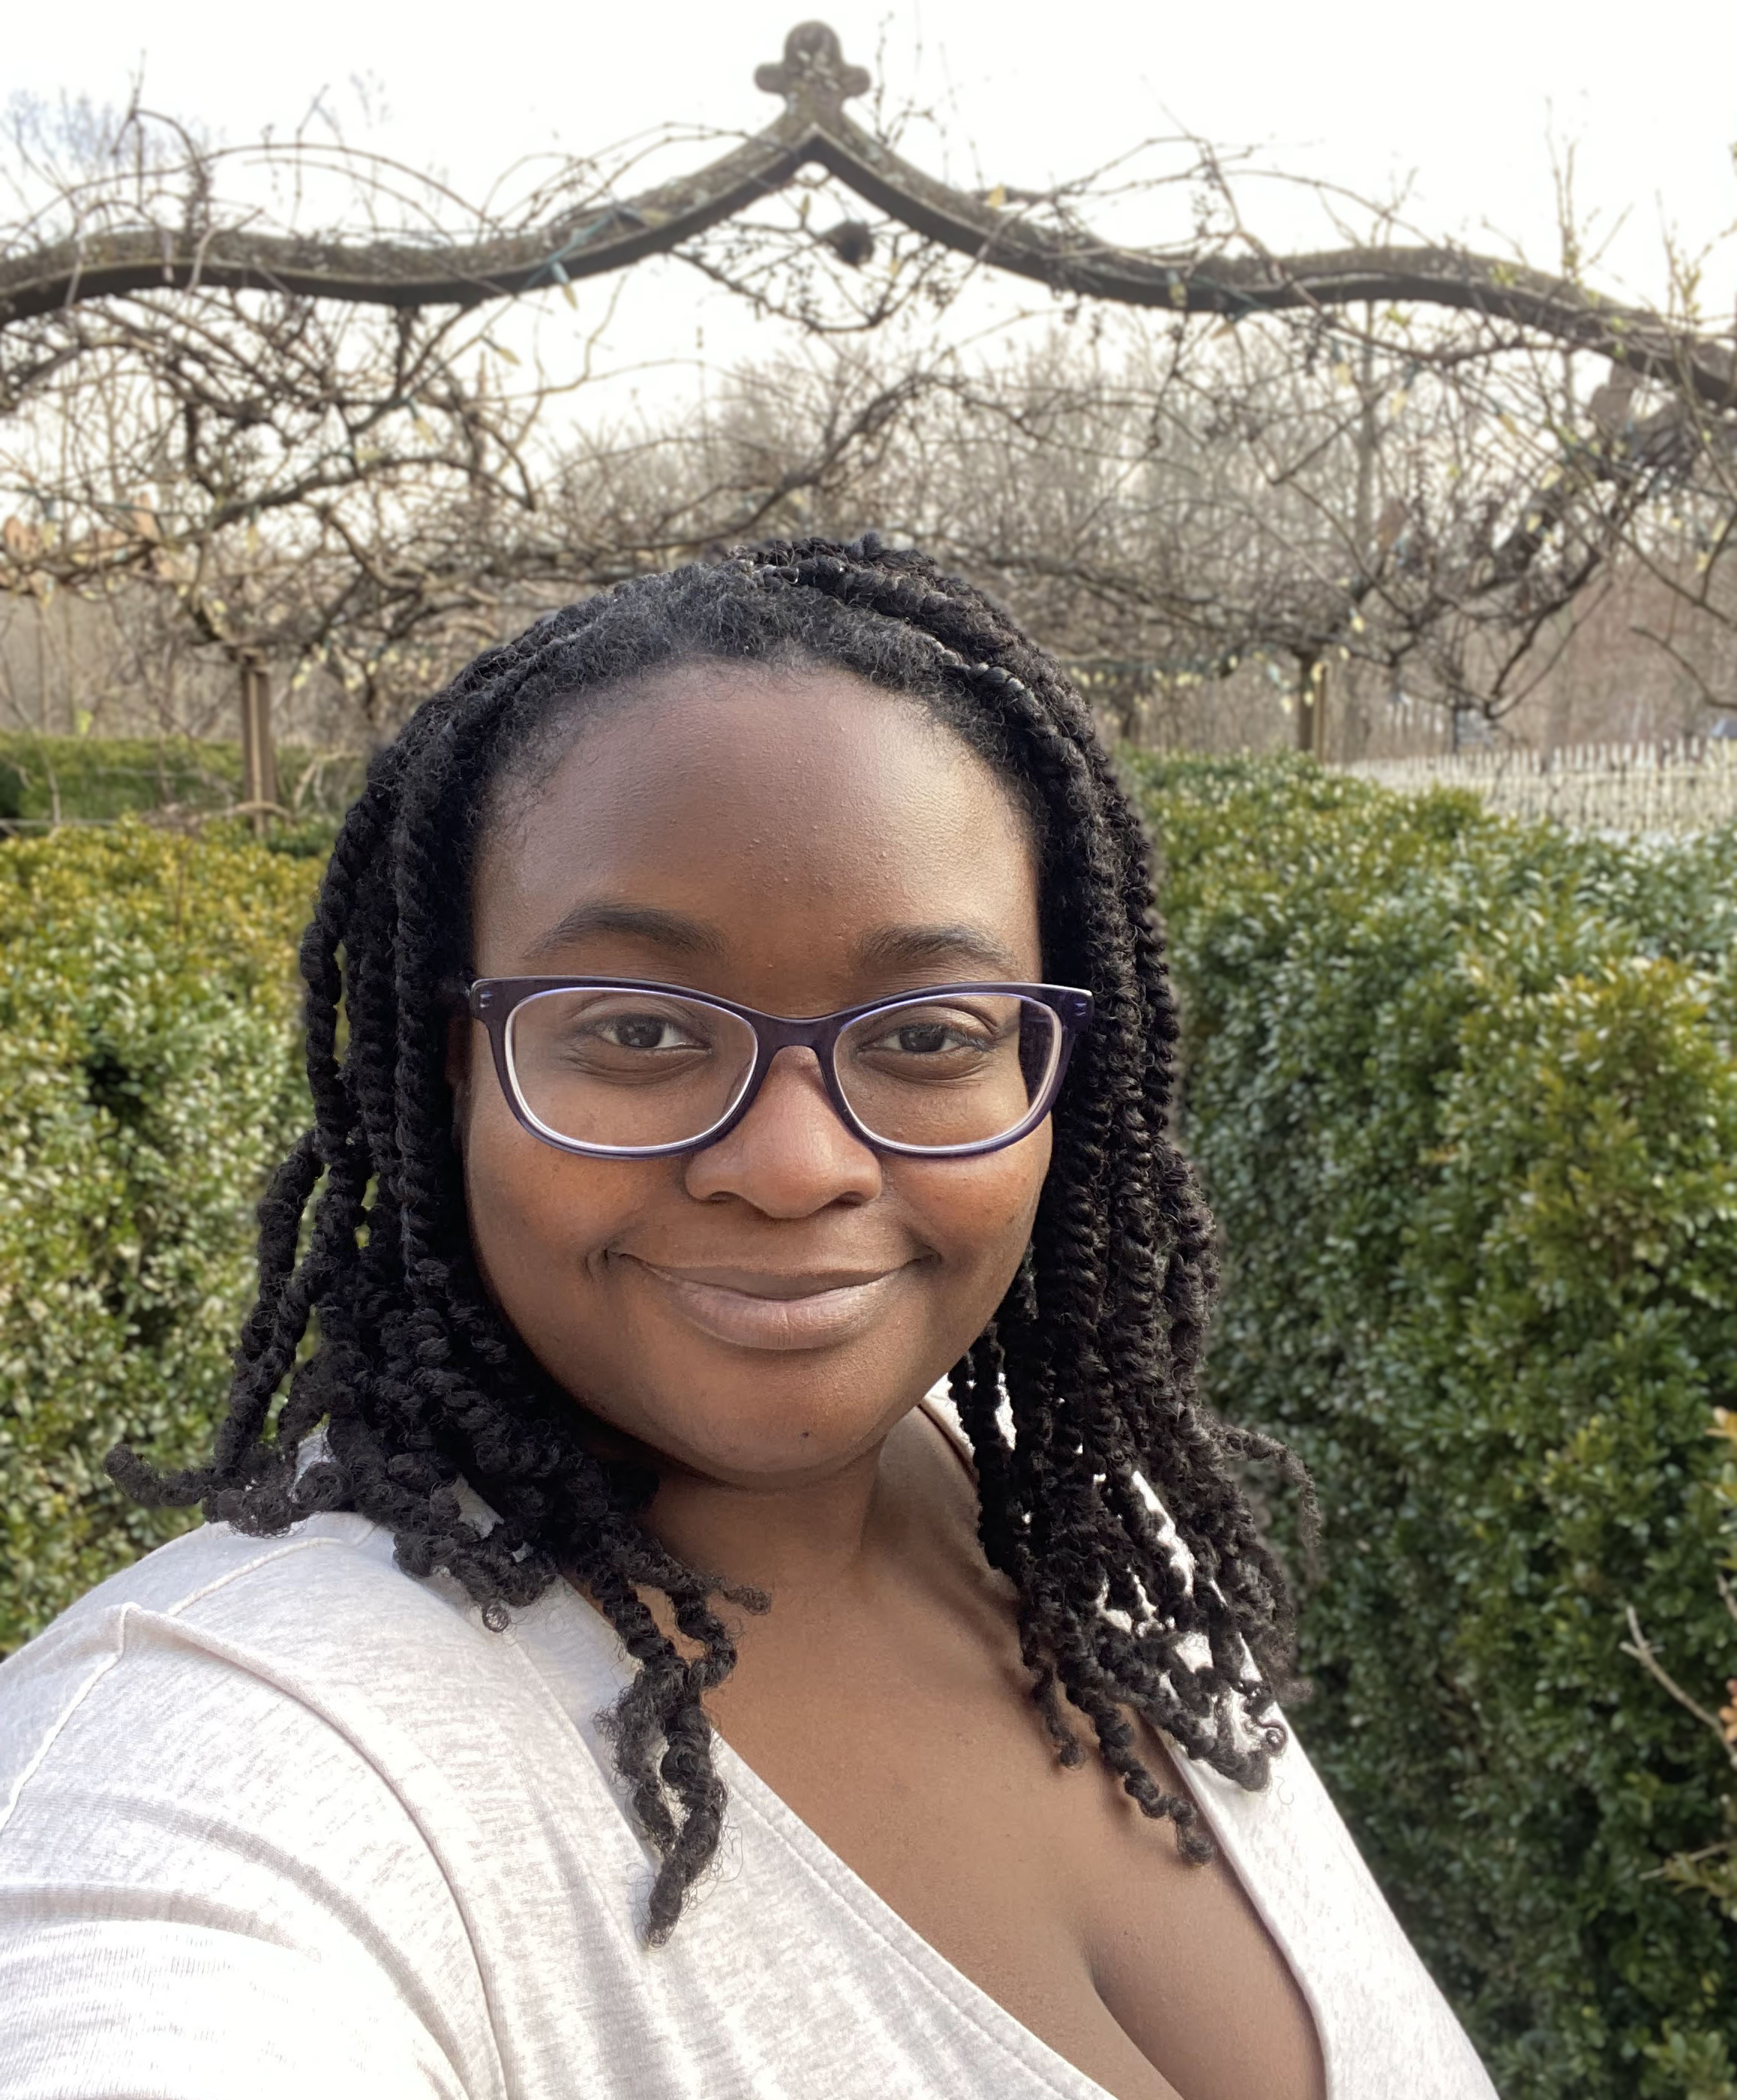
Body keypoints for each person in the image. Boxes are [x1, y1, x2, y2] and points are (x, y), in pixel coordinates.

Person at [0, 538, 1496, 2100]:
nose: (793, 1163)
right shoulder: (235, 1753)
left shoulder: (1091, 1533)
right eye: (639, 1029)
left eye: (926, 1031)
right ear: (458, 1071)